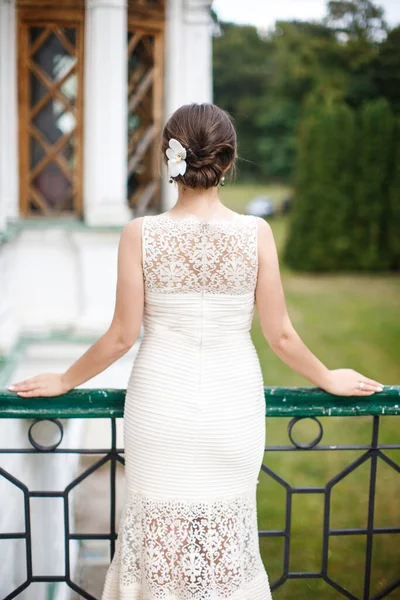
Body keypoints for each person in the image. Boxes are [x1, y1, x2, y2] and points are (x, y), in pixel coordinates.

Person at [8, 102, 384, 599]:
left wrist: (64, 381)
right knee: (223, 554)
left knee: (160, 553)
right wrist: (327, 377)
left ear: (171, 160)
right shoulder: (257, 234)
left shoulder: (139, 235)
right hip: (232, 411)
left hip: (160, 408)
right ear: (228, 162)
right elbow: (281, 336)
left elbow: (122, 335)